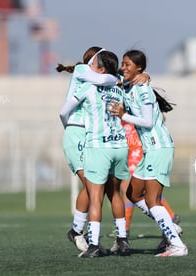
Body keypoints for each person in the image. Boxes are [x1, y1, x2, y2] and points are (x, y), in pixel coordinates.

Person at [110, 49, 188, 257]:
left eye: (128, 64)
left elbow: (148, 121)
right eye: (123, 64)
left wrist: (123, 114)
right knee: (133, 194)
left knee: (153, 200)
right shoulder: (128, 84)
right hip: (148, 151)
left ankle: (177, 244)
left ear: (139, 69)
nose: (123, 67)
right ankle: (171, 228)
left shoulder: (142, 88)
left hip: (159, 148)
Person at [60, 50, 130, 258]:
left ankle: (91, 242)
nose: (88, 66)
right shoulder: (115, 87)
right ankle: (119, 239)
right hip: (114, 144)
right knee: (108, 191)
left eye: (93, 63)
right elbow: (112, 79)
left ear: (99, 67)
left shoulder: (91, 86)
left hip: (97, 143)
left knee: (96, 192)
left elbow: (64, 110)